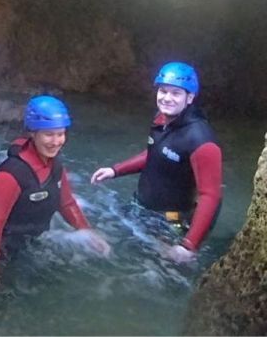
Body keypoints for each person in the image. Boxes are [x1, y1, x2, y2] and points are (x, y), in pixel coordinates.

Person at [90, 62, 222, 264]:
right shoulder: (162, 118)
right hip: (141, 208)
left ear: (190, 97)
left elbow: (211, 196)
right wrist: (115, 170)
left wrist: (189, 245)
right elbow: (156, 153)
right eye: (163, 91)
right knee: (98, 248)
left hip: (169, 222)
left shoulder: (201, 141)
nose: (167, 98)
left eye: (176, 93)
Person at [0, 95, 110, 292]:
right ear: (33, 133)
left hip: (38, 243)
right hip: (6, 250)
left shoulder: (55, 165)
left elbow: (66, 203)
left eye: (61, 134)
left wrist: (87, 232)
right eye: (49, 134)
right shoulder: (10, 173)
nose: (56, 142)